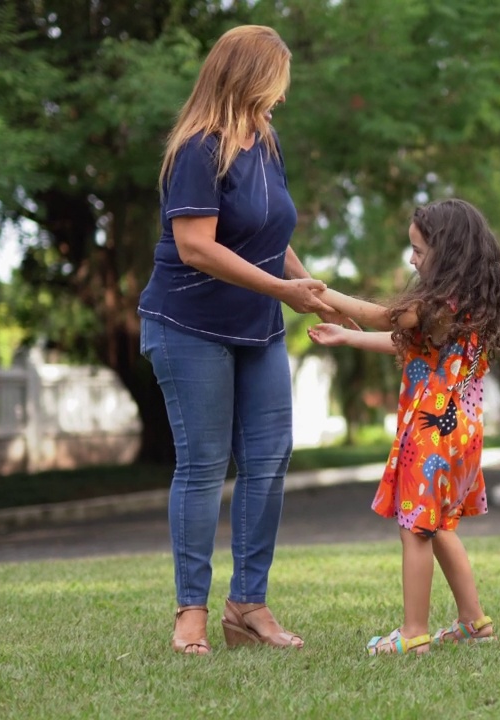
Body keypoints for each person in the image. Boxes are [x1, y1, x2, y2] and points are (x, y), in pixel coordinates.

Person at [137, 25, 348, 655]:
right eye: (277, 80)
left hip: (257, 327)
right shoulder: (198, 149)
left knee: (269, 459)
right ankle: (190, 616)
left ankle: (248, 606)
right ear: (250, 76)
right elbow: (195, 246)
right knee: (204, 467)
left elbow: (268, 236)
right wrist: (285, 293)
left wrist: (313, 288)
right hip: (187, 324)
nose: (282, 96)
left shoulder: (265, 140)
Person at [307, 198, 500, 654]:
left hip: (432, 430)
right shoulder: (469, 304)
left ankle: (413, 633)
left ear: (446, 250)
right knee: (439, 526)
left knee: (415, 528)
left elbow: (387, 318)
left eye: (418, 250)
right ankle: (474, 622)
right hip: (464, 434)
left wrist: (321, 295)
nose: (412, 258)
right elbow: (403, 340)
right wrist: (344, 334)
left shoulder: (438, 303)